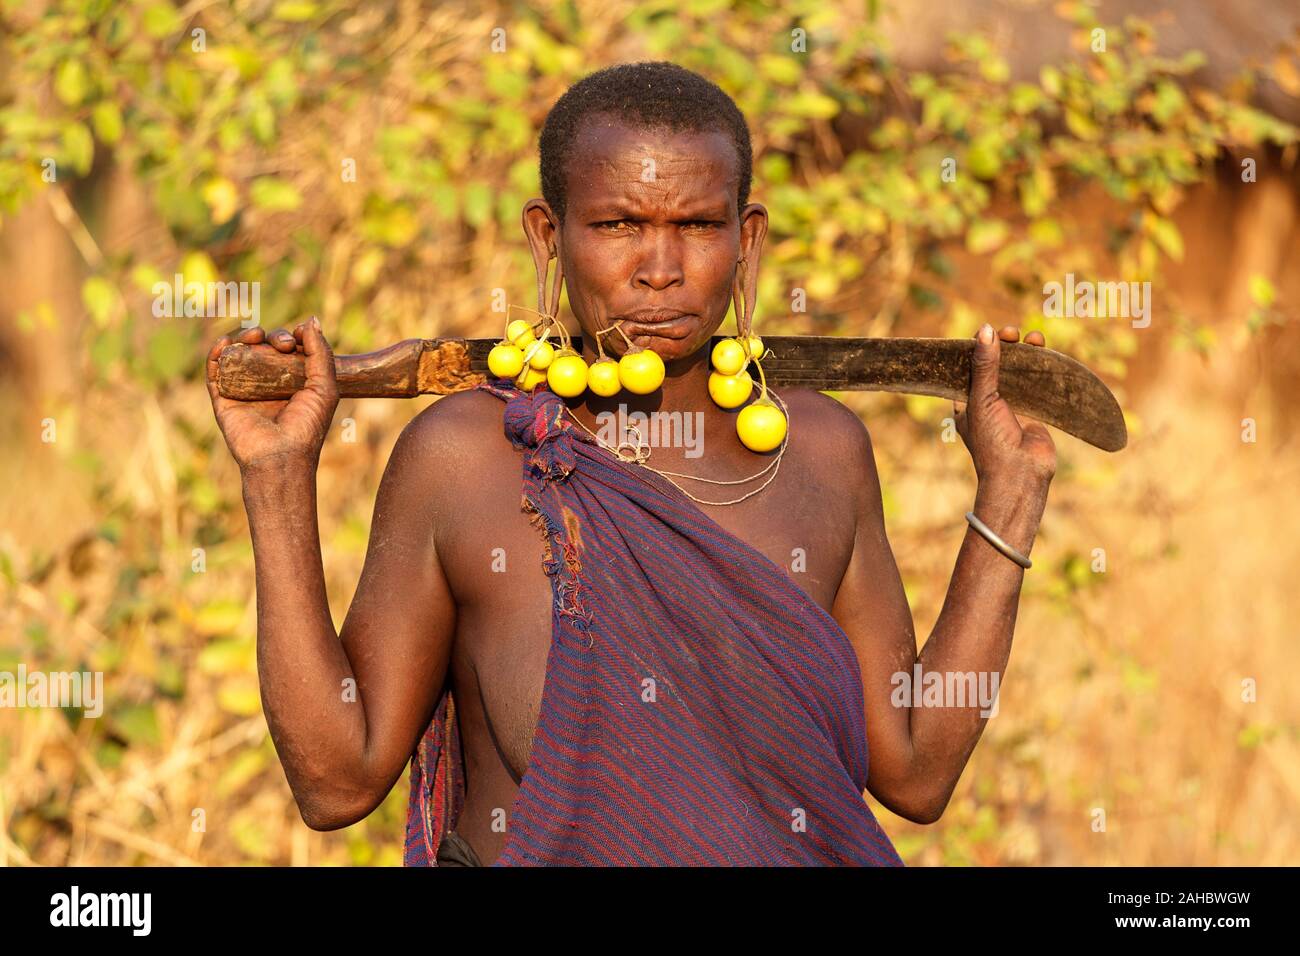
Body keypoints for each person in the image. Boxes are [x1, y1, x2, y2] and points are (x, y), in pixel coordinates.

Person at [205, 62, 1056, 866]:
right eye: (617, 225)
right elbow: (335, 781)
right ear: (549, 235)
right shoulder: (468, 458)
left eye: (697, 225)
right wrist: (276, 481)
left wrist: (1010, 499)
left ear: (746, 240)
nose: (660, 269)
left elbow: (914, 768)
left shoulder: (823, 455)